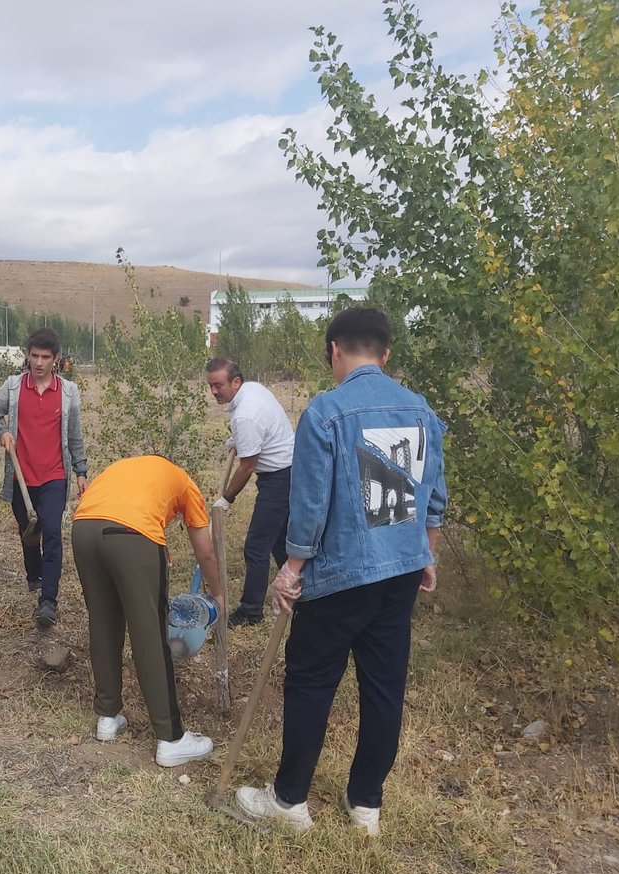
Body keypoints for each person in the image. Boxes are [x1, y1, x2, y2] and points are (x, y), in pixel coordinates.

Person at [233, 308, 446, 836]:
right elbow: (434, 498)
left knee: (309, 679)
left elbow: (310, 505)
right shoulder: (421, 410)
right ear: (385, 353)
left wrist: (292, 568)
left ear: (334, 350)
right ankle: (366, 803)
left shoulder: (326, 412)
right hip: (400, 570)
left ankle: (289, 801)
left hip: (342, 573)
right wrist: (428, 555)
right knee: (383, 686)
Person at [72, 455, 223, 766]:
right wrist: (218, 593)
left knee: (103, 623)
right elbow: (205, 551)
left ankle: (108, 716)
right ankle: (171, 739)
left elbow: (125, 511)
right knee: (149, 634)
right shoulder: (184, 481)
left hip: (83, 529)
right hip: (129, 535)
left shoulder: (124, 468)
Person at [0, 327, 88, 627]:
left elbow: (75, 436)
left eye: (45, 357)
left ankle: (48, 601)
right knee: (29, 531)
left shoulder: (68, 391)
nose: (39, 362)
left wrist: (81, 471)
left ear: (55, 359)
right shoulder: (13, 387)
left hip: (54, 476)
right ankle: (33, 574)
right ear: (27, 356)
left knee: (53, 534)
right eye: (34, 356)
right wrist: (2, 431)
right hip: (21, 476)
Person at [205, 358, 295, 626]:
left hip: (279, 479)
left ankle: (251, 611)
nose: (214, 392)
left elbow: (247, 466)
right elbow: (259, 430)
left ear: (235, 382)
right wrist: (238, 437)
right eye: (210, 386)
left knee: (256, 547)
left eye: (218, 385)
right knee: (280, 542)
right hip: (289, 470)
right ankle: (304, 591)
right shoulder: (252, 391)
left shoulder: (246, 413)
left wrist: (226, 499)